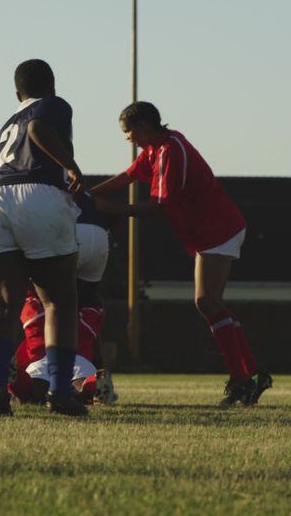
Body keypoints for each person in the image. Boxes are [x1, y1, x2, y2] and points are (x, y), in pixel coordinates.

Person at [91, 101, 272, 408]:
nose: (128, 140)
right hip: (210, 231)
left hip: (218, 229)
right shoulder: (158, 148)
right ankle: (252, 374)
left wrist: (111, 209)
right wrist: (86, 195)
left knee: (206, 302)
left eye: (129, 132)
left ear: (144, 126)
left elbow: (160, 208)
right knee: (211, 304)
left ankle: (242, 377)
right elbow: (126, 177)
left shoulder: (172, 152)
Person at [0, 59, 86, 417]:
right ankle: (61, 392)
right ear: (51, 85)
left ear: (16, 92)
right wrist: (71, 165)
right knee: (59, 302)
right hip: (39, 195)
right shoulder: (53, 105)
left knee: (0, 306)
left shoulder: (5, 126)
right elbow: (38, 128)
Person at [9, 194, 118, 406]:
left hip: (42, 353)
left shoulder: (33, 303)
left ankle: (14, 380)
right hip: (98, 234)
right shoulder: (91, 311)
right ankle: (94, 385)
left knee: (35, 392)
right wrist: (99, 365)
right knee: (79, 386)